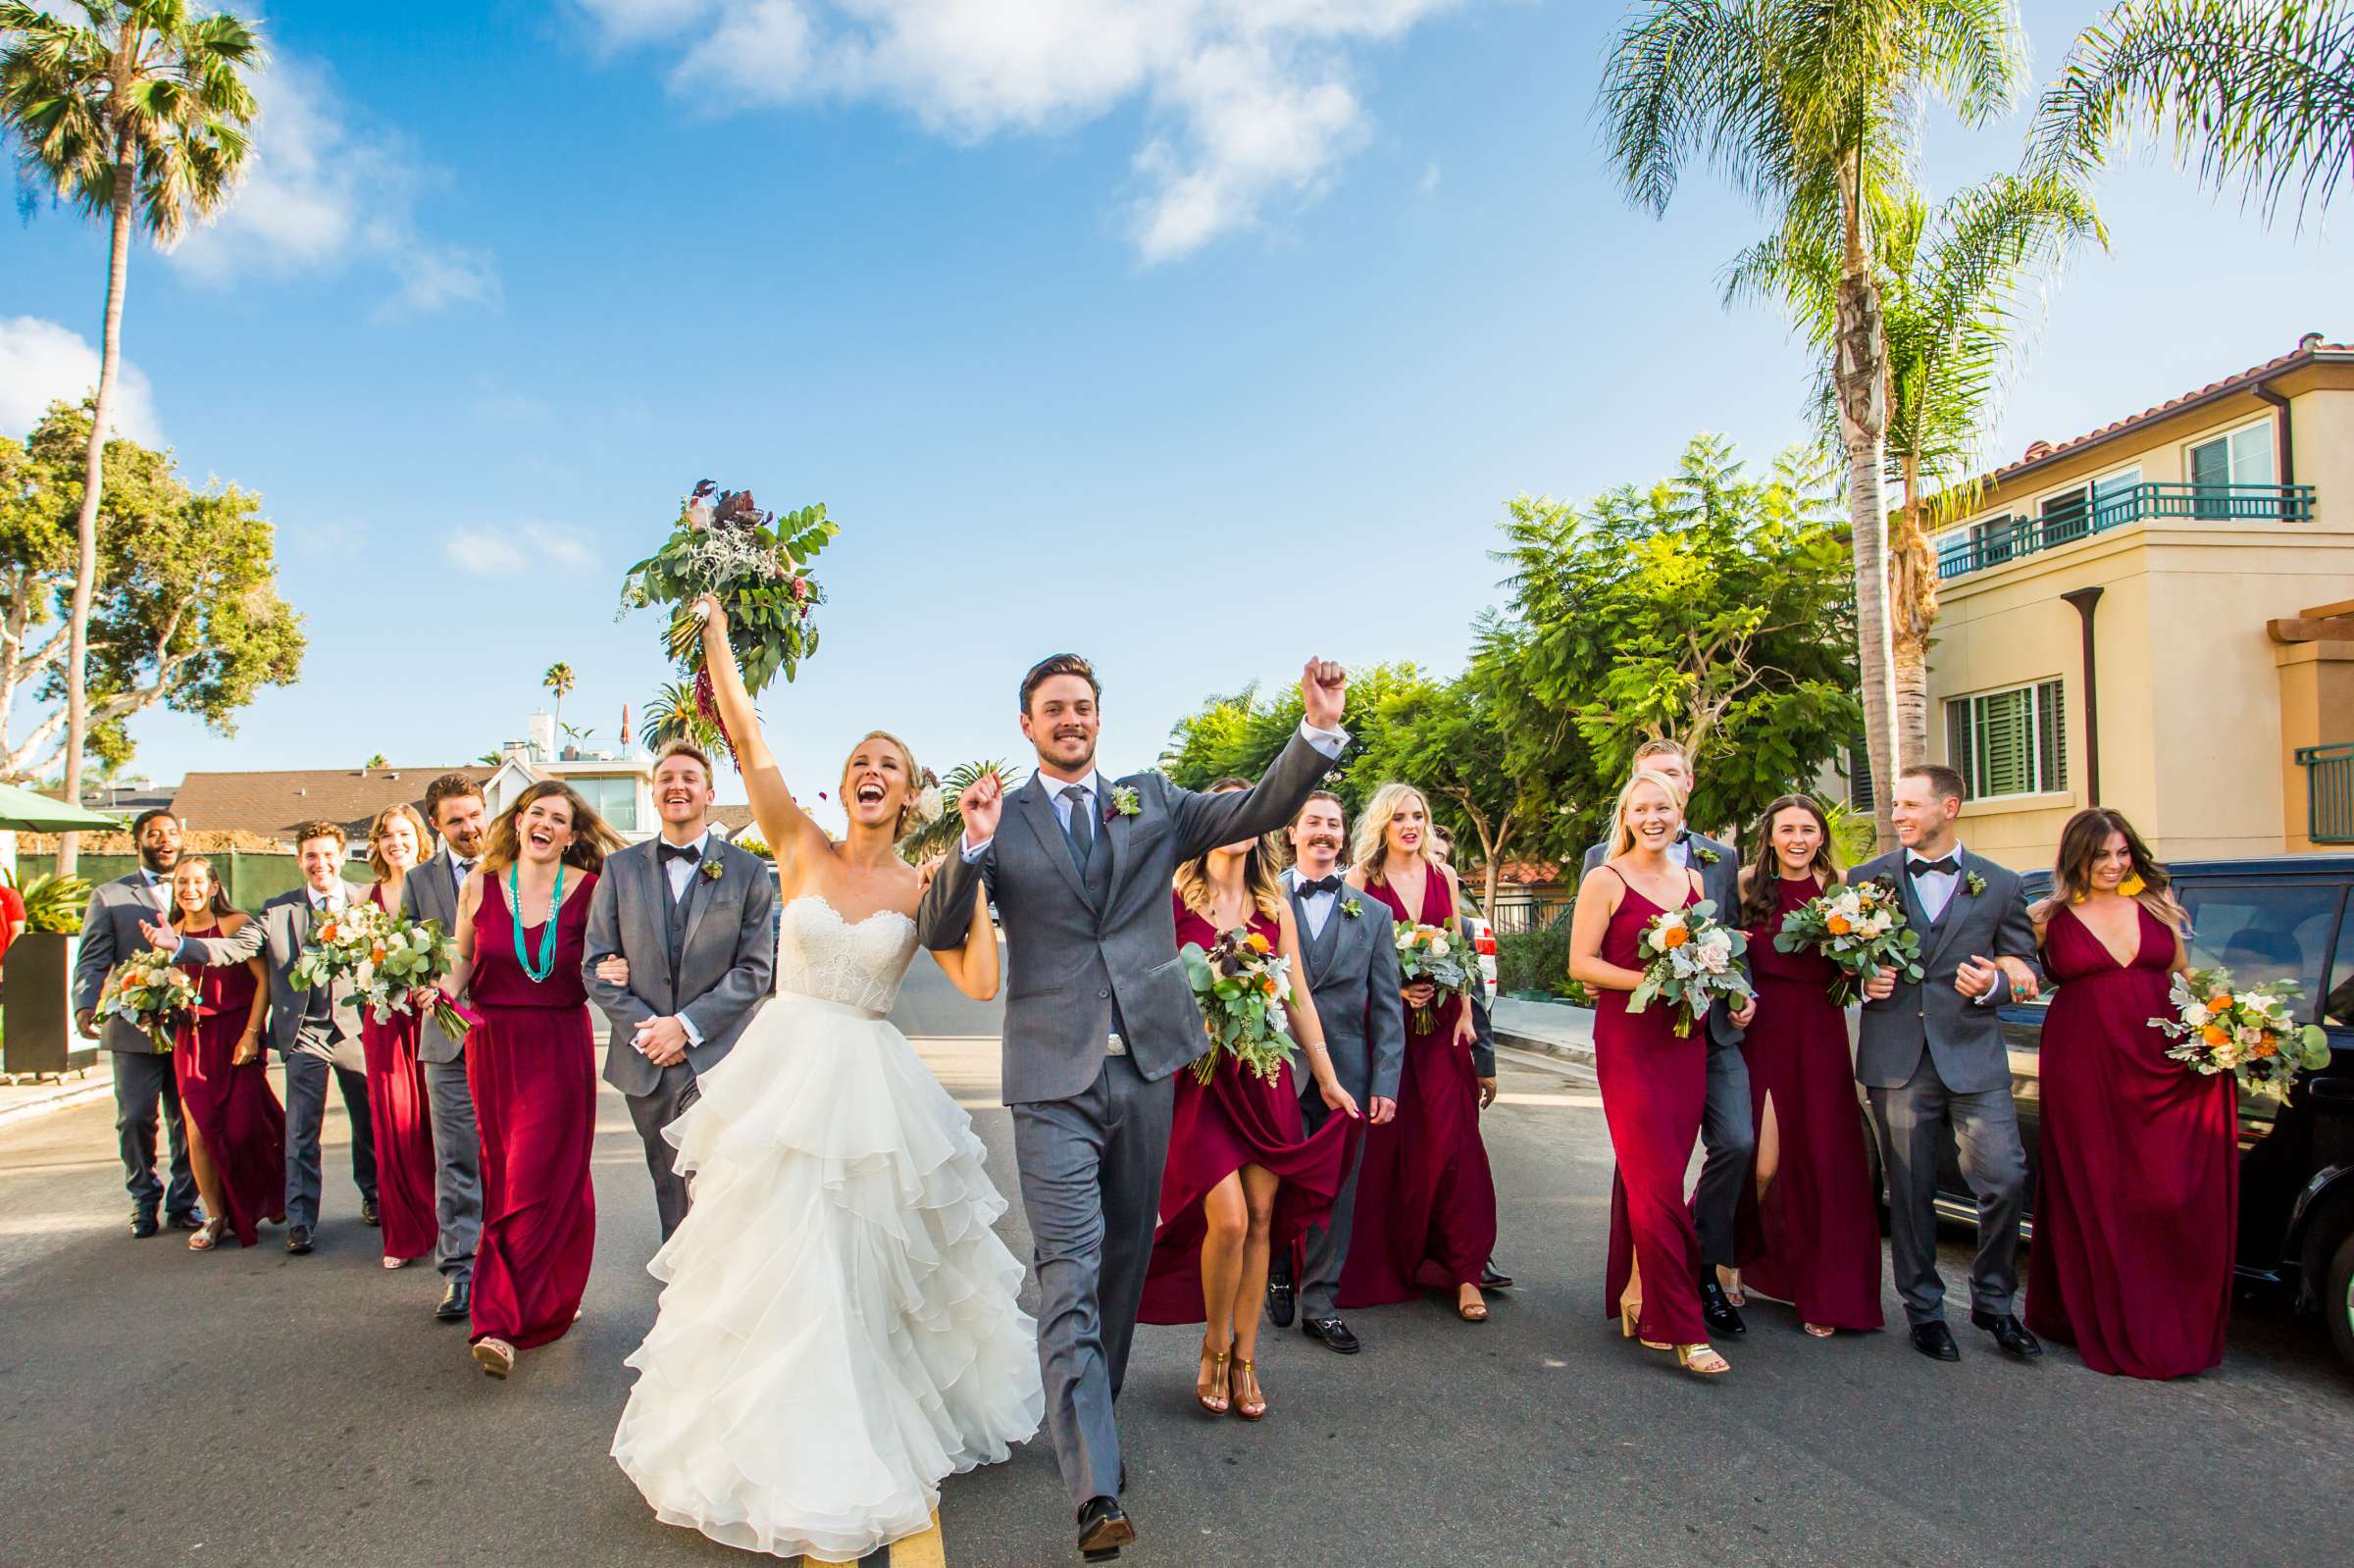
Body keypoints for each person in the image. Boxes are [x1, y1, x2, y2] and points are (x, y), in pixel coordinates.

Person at [613, 596, 1039, 1564]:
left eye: (889, 765)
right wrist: (717, 634)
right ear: (842, 787)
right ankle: (788, 1447)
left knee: (859, 1272)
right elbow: (751, 740)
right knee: (783, 1268)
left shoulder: (925, 887)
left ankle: (865, 1434)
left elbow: (977, 979)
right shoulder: (796, 847)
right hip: (783, 1081)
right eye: (859, 763)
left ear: (910, 791)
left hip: (873, 1089)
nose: (871, 774)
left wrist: (972, 866)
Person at [915, 651, 1349, 1563]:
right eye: (1052, 709)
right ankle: (1094, 1488)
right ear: (1026, 725)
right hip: (1050, 1079)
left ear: (1099, 721)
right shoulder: (1005, 816)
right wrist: (973, 845)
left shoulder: (1153, 799)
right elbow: (939, 925)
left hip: (1147, 1069)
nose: (1070, 719)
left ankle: (1091, 1416)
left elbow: (1257, 806)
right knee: (1068, 1267)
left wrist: (1314, 730)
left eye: (1083, 706)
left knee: (1121, 1257)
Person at [1138, 781, 1360, 1422]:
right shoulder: (1174, 898)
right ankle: (1212, 1343)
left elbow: (1298, 1000)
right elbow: (1147, 984)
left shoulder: (1274, 906)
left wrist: (1326, 1076)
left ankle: (1246, 1356)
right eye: (1223, 808)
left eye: (1250, 809)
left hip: (1263, 1077)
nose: (1238, 821)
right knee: (1228, 1219)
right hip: (1200, 1081)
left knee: (1262, 1216)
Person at [2024, 809, 2230, 1379]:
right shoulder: (2046, 918)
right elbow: (2017, 973)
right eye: (2101, 856)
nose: (2114, 866)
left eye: (2122, 853)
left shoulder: (2160, 908)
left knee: (2161, 1191)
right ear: (2076, 859)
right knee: (2095, 1186)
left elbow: (2187, 978)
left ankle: (2162, 1318)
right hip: (2082, 1066)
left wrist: (2235, 1024)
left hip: (2164, 1066)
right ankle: (2091, 1314)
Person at [1853, 764, 2042, 1363]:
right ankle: (1925, 1312)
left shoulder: (2003, 883)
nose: (1898, 815)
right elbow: (1834, 961)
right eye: (1895, 805)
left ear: (1950, 807)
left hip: (1973, 1057)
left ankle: (1993, 1300)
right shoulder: (1865, 879)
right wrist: (1862, 980)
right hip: (1898, 1059)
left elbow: (2025, 968)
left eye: (1911, 805)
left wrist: (1993, 985)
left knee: (2005, 1178)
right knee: (1908, 1192)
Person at [1571, 769, 1753, 1376]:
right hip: (1630, 1043)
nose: (1653, 817)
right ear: (1626, 815)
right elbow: (1581, 964)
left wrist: (1728, 987)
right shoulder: (1606, 878)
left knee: (1662, 1175)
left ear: (1681, 814)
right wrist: (1655, 981)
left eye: (1664, 808)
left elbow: (1714, 957)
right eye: (1642, 808)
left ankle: (1637, 1298)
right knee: (1656, 1187)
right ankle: (1683, 1326)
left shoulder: (1696, 879)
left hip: (1686, 1044)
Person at [437, 781, 617, 1379]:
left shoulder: (591, 891)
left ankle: (498, 1324)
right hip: (493, 1046)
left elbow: (603, 960)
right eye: (535, 812)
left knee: (541, 1175)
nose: (544, 823)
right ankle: (540, 1296)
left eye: (558, 818)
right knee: (505, 1173)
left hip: (559, 1044)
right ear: (518, 822)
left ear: (571, 835)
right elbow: (464, 959)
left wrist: (616, 966)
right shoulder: (479, 884)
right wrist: (439, 992)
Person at [585, 739, 776, 1240]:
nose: (677, 785)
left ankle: (726, 1288)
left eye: (689, 778)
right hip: (644, 1058)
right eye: (667, 777)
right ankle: (681, 1296)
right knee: (667, 1181)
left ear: (709, 793)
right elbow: (596, 965)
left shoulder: (747, 871)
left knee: (719, 1178)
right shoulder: (619, 870)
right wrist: (648, 1031)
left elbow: (756, 970)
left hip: (719, 1057)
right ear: (654, 793)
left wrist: (685, 1028)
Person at [174, 821, 379, 1257]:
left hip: (357, 1029)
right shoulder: (278, 909)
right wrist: (178, 948)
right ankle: (301, 1219)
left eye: (326, 855)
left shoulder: (367, 900)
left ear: (342, 856)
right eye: (310, 856)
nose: (319, 863)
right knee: (302, 1130)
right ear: (298, 860)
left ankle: (375, 1194)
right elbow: (235, 948)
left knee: (368, 1124)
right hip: (304, 1031)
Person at [1338, 784, 1500, 1324]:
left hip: (1441, 1034)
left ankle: (1465, 1272)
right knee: (1388, 1145)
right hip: (1385, 1030)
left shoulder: (1445, 877)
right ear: (1381, 825)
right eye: (1400, 817)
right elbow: (1348, 963)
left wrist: (1466, 1017)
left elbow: (1459, 950)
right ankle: (1385, 1258)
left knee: (1453, 1144)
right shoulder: (1362, 880)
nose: (1411, 825)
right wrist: (1397, 991)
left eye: (1419, 816)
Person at [1729, 795, 1882, 1337]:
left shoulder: (1844, 889)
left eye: (1808, 829)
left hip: (1821, 1033)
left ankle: (1825, 1291)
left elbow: (1860, 964)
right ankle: (1730, 1258)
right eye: (1787, 829)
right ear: (1769, 835)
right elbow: (1724, 956)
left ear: (1821, 836)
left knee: (1825, 1160)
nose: (1798, 838)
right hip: (1763, 1031)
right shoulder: (1745, 884)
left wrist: (1866, 972)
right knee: (1761, 1162)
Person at [1265, 791, 1405, 1354]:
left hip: (1347, 1072)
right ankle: (1276, 1268)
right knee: (1270, 1182)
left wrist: (1385, 1083)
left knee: (1336, 1191)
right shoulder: (1263, 898)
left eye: (1333, 825)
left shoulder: (1373, 915)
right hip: (1273, 1066)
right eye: (1313, 823)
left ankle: (1321, 1303)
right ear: (1292, 833)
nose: (1324, 833)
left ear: (1343, 837)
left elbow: (1387, 1005)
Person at [73, 808, 203, 1239]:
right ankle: (143, 1198)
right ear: (139, 841)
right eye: (154, 834)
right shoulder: (109, 896)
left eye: (171, 833)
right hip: (132, 1027)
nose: (164, 841)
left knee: (186, 1119)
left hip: (187, 1026)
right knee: (134, 1117)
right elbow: (92, 959)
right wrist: (85, 1004)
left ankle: (184, 1202)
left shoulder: (196, 888)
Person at [402, 774, 489, 1322]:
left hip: (508, 1037)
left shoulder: (513, 868)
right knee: (455, 1160)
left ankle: (515, 1269)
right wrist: (411, 981)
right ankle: (460, 1272)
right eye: (455, 820)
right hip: (446, 1040)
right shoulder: (418, 880)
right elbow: (405, 945)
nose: (468, 828)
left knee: (510, 1160)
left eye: (474, 815)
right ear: (436, 824)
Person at [164, 855, 281, 1251]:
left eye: (198, 881)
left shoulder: (236, 925)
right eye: (182, 881)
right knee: (197, 1132)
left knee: (243, 1127)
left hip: (236, 1034)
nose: (189, 889)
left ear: (214, 887)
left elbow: (264, 981)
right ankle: (215, 1215)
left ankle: (266, 1192)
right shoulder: (170, 932)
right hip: (191, 1040)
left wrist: (251, 1034)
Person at [1427, 820, 1511, 1294]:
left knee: (1459, 1154)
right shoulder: (1379, 902)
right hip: (1393, 1048)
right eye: (1430, 855)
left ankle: (1469, 1256)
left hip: (1448, 1045)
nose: (1437, 865)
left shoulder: (1459, 915)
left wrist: (1486, 1063)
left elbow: (1475, 993)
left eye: (1444, 858)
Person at [361, 805, 438, 1271]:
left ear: (420, 837)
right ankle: (405, 1231)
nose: (396, 842)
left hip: (433, 1013)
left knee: (441, 1122)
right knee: (395, 1122)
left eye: (404, 833)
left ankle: (451, 1221)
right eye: (386, 834)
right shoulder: (364, 899)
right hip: (387, 1018)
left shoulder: (438, 885)